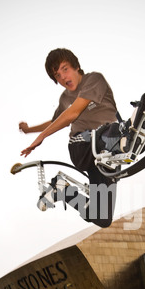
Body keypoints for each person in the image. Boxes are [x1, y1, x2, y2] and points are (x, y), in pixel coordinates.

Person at [19, 48, 118, 228]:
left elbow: (72, 112)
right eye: (57, 75)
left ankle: (63, 191)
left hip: (105, 155)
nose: (63, 78)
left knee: (102, 217)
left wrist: (41, 135)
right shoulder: (65, 98)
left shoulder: (94, 79)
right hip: (82, 146)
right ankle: (122, 138)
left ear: (76, 67)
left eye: (65, 69)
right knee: (111, 134)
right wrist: (31, 131)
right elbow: (61, 119)